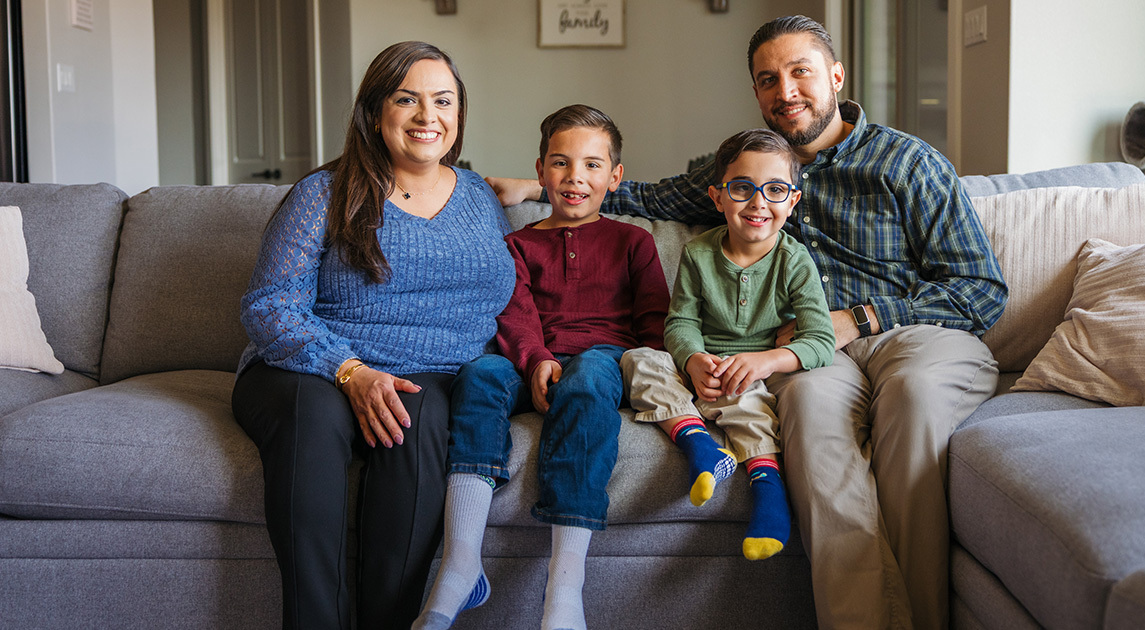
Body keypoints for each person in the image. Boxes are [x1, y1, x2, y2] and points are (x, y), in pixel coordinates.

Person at [489, 16, 1007, 630]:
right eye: (768, 79)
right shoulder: (743, 168)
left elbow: (980, 289)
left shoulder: (907, 163)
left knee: (914, 404)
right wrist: (539, 189)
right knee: (812, 428)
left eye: (800, 72)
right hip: (814, 356)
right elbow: (642, 196)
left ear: (836, 76)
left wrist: (859, 318)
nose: (785, 90)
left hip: (911, 336)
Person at [232, 42, 517, 629]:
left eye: (443, 101)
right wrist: (351, 371)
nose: (426, 116)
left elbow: (503, 301)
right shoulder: (325, 193)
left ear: (459, 114)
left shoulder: (481, 197)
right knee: (315, 417)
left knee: (420, 420)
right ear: (374, 110)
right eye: (406, 99)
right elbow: (269, 306)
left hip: (432, 378)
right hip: (310, 370)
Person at [413, 104, 669, 630]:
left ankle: (564, 587)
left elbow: (653, 325)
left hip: (603, 360)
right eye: (561, 163)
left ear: (615, 176)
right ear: (539, 170)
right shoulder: (517, 244)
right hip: (531, 360)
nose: (576, 177)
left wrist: (650, 378)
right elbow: (516, 314)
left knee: (589, 379)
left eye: (593, 165)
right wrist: (535, 362)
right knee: (479, 375)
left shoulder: (633, 242)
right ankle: (461, 566)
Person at [620, 128, 835, 562]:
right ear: (718, 198)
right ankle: (700, 445)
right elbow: (680, 322)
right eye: (742, 188)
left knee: (753, 409)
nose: (759, 203)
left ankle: (769, 491)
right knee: (637, 360)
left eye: (775, 190)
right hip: (698, 364)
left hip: (749, 374)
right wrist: (693, 357)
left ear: (792, 201)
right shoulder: (698, 252)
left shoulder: (795, 261)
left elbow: (821, 341)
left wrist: (764, 362)